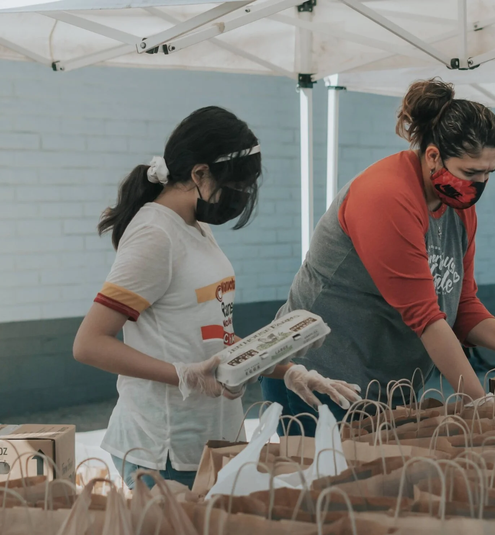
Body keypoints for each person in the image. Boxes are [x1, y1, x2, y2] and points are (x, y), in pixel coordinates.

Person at [73, 106, 359, 489]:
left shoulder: (196, 227)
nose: (240, 197)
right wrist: (182, 374)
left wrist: (285, 367)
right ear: (199, 174)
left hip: (214, 441)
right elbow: (89, 344)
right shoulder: (155, 235)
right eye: (236, 186)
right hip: (165, 450)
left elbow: (214, 339)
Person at [262, 78, 495, 435]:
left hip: (383, 385)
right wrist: (481, 402)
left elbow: (461, 303)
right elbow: (426, 317)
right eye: (470, 172)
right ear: (433, 156)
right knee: (326, 485)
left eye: (489, 173)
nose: (479, 185)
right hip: (318, 377)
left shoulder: (458, 207)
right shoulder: (386, 197)